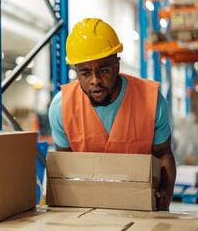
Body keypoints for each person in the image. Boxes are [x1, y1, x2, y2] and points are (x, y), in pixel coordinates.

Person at [48, 18, 176, 211]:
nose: (95, 80)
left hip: (138, 205)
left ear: (117, 66)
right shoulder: (61, 106)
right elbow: (66, 167)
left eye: (104, 70)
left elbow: (163, 153)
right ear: (76, 71)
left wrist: (166, 193)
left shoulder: (151, 100)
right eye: (85, 73)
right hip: (87, 207)